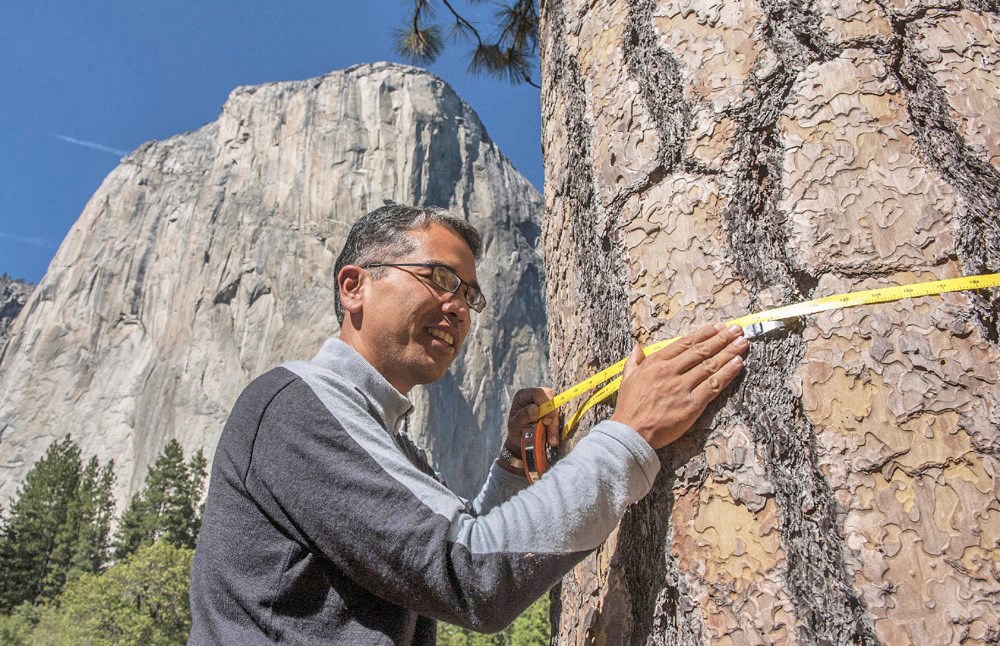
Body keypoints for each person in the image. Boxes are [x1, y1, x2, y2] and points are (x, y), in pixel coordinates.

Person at [188, 204, 748, 644]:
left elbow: (462, 552)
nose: (458, 307)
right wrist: (631, 436)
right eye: (437, 277)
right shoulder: (293, 404)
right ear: (353, 286)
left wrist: (512, 464)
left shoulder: (391, 444)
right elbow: (472, 574)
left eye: (469, 294)